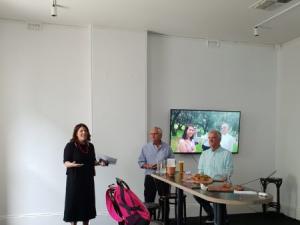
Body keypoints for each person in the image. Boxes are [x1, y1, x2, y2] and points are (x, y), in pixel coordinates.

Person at [63, 123, 108, 225]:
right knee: (73, 205)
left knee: (86, 205)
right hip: (74, 181)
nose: (84, 132)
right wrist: (72, 164)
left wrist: (101, 163)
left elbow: (92, 162)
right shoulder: (70, 146)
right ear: (76, 133)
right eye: (81, 131)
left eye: (85, 130)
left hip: (88, 180)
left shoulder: (90, 146)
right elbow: (65, 162)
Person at [194, 129, 233, 224]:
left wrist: (216, 179)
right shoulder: (204, 153)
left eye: (213, 138)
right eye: (209, 138)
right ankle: (212, 214)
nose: (210, 140)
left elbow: (229, 171)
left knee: (219, 198)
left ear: (219, 140)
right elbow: (200, 170)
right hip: (206, 184)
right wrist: (203, 180)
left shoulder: (227, 154)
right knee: (196, 194)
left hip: (220, 184)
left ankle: (221, 218)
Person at [138, 127, 174, 223]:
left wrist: (162, 166)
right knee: (149, 201)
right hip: (150, 177)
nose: (152, 135)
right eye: (151, 133)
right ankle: (149, 221)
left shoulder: (167, 147)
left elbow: (172, 162)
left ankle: (165, 221)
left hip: (164, 178)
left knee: (164, 201)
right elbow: (141, 163)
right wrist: (149, 166)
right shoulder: (145, 147)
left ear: (160, 135)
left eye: (155, 133)